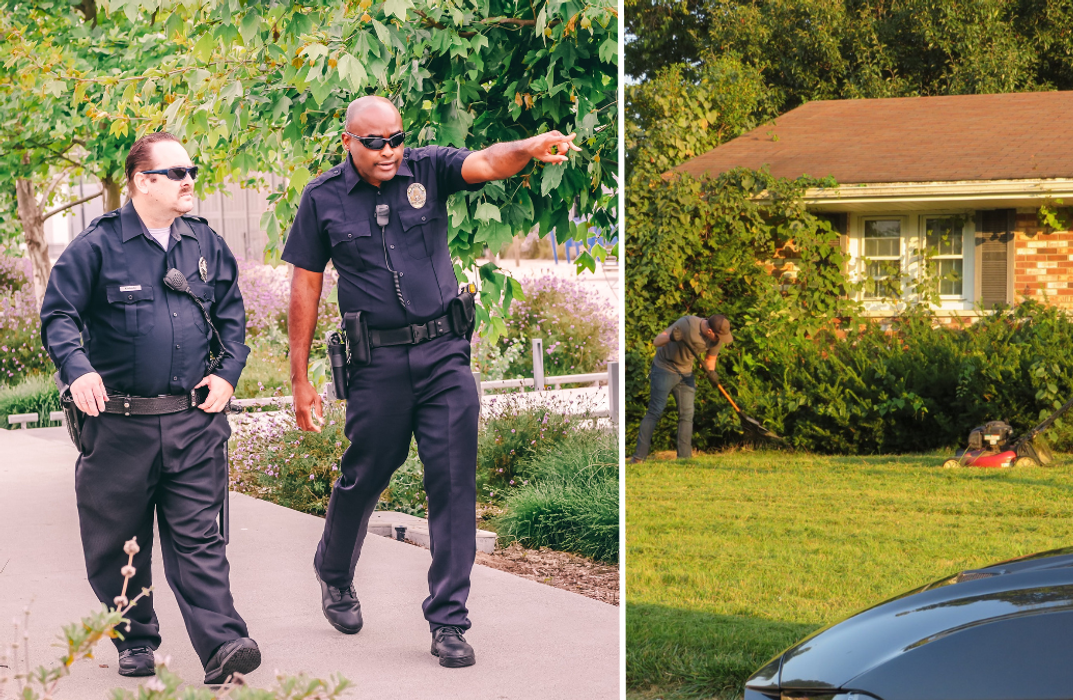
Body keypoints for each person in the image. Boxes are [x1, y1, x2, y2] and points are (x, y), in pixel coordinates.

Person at [281, 95, 580, 668]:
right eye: (376, 143)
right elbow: (306, 287)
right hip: (378, 366)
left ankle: (448, 622)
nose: (390, 151)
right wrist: (300, 378)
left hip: (444, 355)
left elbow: (488, 163)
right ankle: (334, 569)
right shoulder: (322, 198)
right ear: (349, 143)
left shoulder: (428, 167)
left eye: (396, 138)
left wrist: (528, 147)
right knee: (365, 474)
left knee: (452, 484)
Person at [40, 132, 259, 683]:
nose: (190, 181)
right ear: (143, 181)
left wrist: (228, 375)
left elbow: (233, 318)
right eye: (177, 171)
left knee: (199, 540)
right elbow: (58, 317)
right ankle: (135, 639)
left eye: (193, 170)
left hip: (192, 420)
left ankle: (223, 646)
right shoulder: (97, 246)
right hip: (117, 426)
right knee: (117, 545)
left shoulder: (205, 244)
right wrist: (78, 368)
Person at [631, 314, 732, 463]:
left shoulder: (717, 339)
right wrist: (671, 336)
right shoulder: (687, 324)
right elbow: (657, 341)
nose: (721, 339)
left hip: (686, 373)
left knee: (687, 414)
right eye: (719, 336)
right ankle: (639, 457)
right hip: (664, 369)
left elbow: (710, 361)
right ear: (710, 331)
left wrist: (712, 373)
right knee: (655, 411)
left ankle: (684, 459)